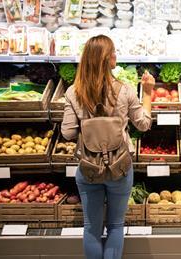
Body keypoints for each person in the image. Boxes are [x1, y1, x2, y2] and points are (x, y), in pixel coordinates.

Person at [61, 35, 154, 259]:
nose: (115, 56)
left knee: (91, 227)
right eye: (112, 52)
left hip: (88, 168)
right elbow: (143, 124)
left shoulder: (74, 92)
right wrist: (149, 92)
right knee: (115, 225)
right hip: (119, 167)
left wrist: (90, 130)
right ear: (105, 60)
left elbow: (68, 132)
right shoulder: (126, 90)